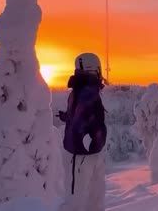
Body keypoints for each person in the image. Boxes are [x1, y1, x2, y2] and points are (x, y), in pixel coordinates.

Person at [58, 53, 107, 211]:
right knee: (77, 202)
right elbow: (82, 122)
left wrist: (67, 117)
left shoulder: (83, 91)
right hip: (81, 155)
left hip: (90, 153)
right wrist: (90, 138)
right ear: (93, 68)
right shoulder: (87, 92)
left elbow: (79, 117)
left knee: (93, 198)